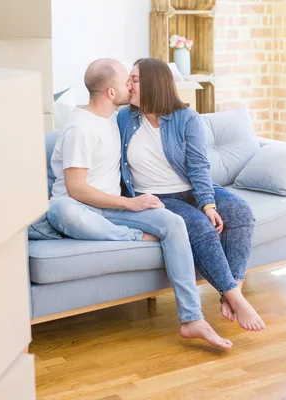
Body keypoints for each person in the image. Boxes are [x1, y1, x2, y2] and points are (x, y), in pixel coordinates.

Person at [46, 58, 232, 349]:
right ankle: (134, 237)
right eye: (126, 81)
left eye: (134, 81)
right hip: (79, 207)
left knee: (174, 222)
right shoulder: (81, 129)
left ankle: (191, 318)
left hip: (111, 209)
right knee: (58, 209)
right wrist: (129, 204)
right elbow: (75, 189)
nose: (131, 86)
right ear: (110, 92)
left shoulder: (116, 119)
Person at [117, 58, 266, 332]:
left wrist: (207, 203)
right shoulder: (124, 118)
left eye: (134, 79)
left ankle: (231, 292)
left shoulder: (187, 118)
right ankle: (237, 299)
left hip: (191, 189)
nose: (128, 85)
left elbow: (199, 167)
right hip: (158, 199)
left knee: (241, 213)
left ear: (153, 83)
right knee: (198, 227)